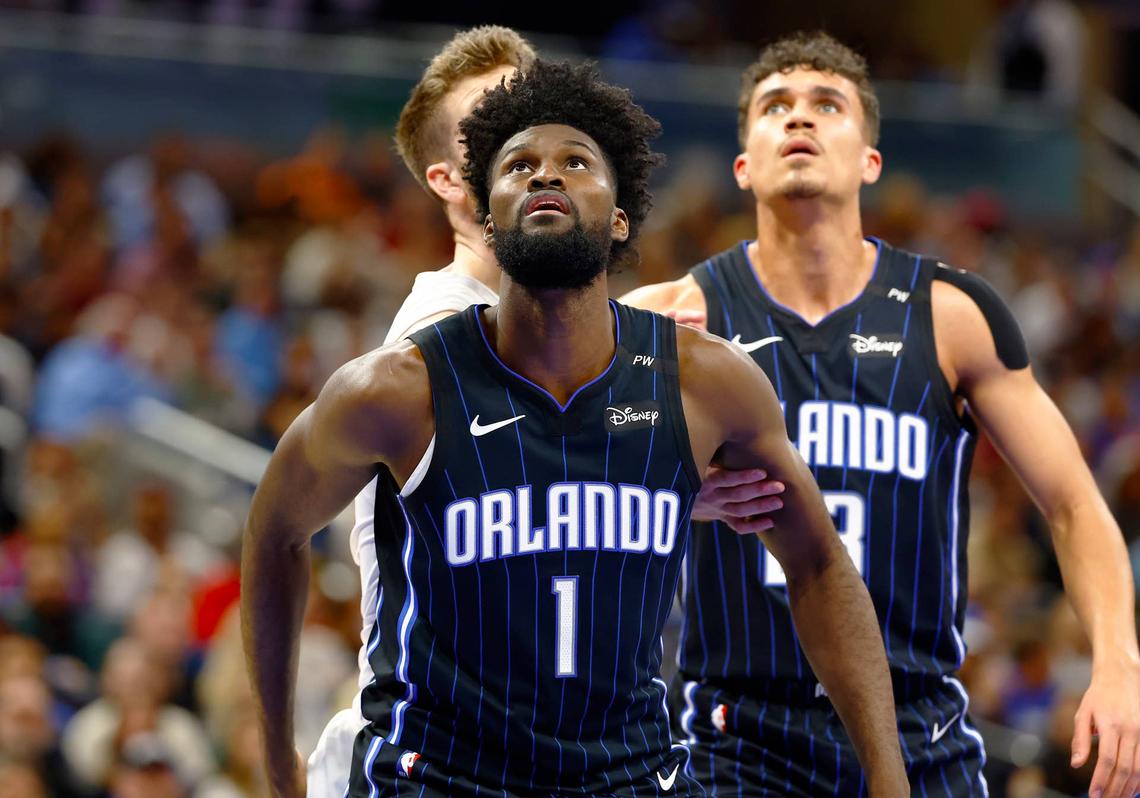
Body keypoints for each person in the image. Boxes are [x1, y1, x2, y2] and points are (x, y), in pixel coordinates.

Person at [242, 59, 909, 798]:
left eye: (575, 161)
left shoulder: (704, 381)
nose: (544, 175)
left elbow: (819, 566)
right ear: (485, 215)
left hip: (630, 774)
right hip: (443, 775)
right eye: (518, 164)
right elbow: (273, 533)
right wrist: (277, 758)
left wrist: (888, 773)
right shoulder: (396, 386)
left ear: (619, 216)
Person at [623, 30, 1140, 798]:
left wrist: (1119, 667)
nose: (799, 119)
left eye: (826, 105)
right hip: (741, 742)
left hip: (920, 729)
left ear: (870, 159)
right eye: (775, 107)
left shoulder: (952, 315)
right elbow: (563, 485)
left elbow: (1071, 504)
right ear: (744, 165)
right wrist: (661, 490)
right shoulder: (667, 322)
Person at [305, 27, 781, 797]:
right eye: (496, 124)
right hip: (433, 743)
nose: (533, 135)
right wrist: (668, 480)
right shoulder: (432, 341)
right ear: (452, 181)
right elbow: (516, 490)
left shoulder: (569, 326)